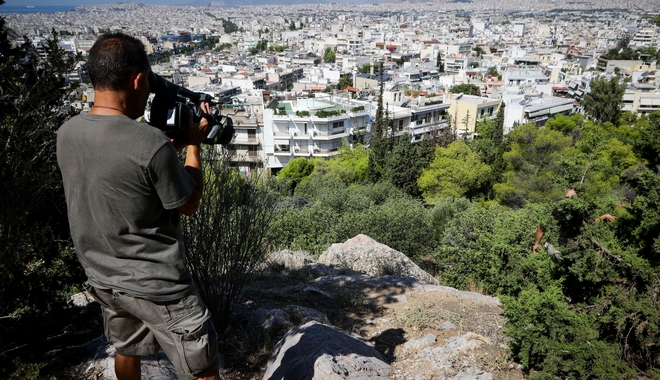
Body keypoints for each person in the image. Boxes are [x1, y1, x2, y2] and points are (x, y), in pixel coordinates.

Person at [57, 32, 221, 380]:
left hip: (104, 277)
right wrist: (193, 145)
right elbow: (188, 203)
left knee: (127, 350)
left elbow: (125, 170)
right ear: (135, 80)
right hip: (159, 285)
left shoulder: (68, 132)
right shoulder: (150, 142)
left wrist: (168, 149)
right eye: (148, 83)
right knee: (203, 367)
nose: (148, 92)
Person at [533, 189, 615, 263]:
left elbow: (541, 227)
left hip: (552, 247)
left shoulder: (553, 203)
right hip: (569, 250)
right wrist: (604, 217)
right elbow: (589, 224)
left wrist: (536, 244)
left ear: (566, 190)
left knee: (555, 271)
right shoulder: (579, 207)